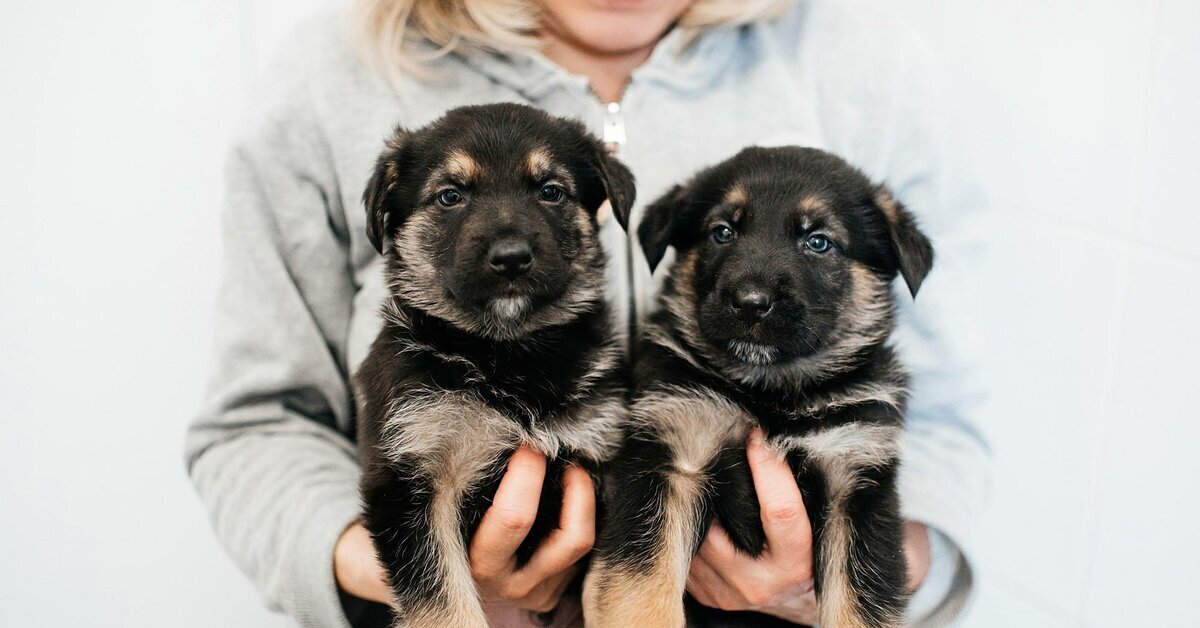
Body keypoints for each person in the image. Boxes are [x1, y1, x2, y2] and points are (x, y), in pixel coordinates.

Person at [185, 0, 989, 626]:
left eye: (550, 191)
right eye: (452, 196)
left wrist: (857, 577)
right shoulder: (331, 69)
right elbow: (254, 422)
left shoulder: (862, 59)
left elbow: (945, 412)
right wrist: (400, 576)